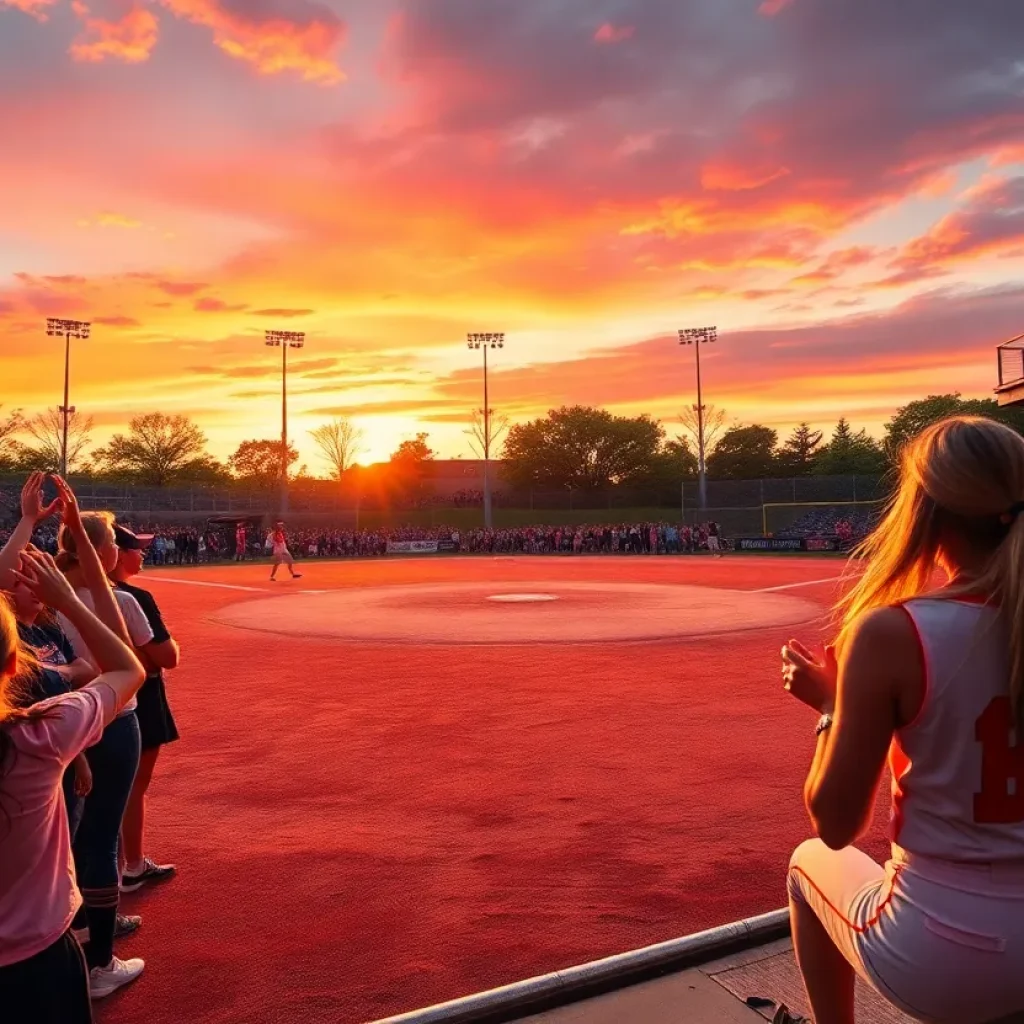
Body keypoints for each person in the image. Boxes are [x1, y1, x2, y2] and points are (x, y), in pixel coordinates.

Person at [781, 417, 1024, 1024]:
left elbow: (835, 823)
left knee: (808, 861)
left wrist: (833, 708)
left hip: (947, 954)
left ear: (925, 512)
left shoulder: (895, 631)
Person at [0, 542, 145, 1023]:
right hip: (35, 961)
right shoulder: (36, 735)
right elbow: (128, 668)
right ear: (14, 665)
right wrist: (69, 602)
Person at [54, 484, 154, 997]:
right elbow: (140, 661)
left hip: (64, 721)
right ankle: (99, 960)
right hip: (111, 718)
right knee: (102, 835)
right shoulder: (115, 599)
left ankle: (81, 924)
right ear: (100, 551)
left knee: (73, 831)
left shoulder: (48, 602)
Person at [110, 525, 179, 891]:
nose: (142, 554)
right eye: (136, 549)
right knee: (134, 784)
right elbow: (166, 656)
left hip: (97, 693)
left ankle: (115, 863)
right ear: (117, 553)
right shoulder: (132, 597)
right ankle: (131, 865)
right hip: (139, 695)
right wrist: (143, 657)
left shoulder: (70, 593)